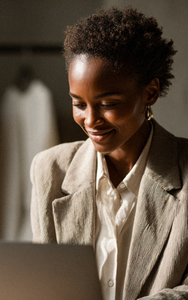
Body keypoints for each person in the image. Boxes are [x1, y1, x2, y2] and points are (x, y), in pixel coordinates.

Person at [30, 6, 188, 300]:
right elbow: (46, 282)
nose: (90, 121)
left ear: (149, 93)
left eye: (108, 104)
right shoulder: (49, 170)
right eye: (79, 104)